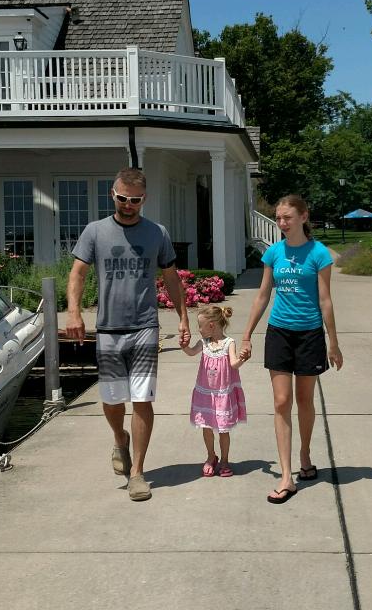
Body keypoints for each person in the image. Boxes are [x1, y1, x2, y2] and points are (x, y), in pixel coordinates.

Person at [65, 168, 190, 501]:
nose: (128, 205)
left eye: (135, 200)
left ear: (144, 199)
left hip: (145, 326)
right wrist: (74, 313)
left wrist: (183, 317)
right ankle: (120, 438)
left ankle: (137, 472)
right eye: (123, 198)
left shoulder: (157, 233)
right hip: (108, 328)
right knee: (111, 398)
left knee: (142, 398)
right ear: (113, 194)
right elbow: (77, 274)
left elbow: (171, 277)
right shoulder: (95, 232)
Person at [240, 194, 343, 504]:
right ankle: (287, 477)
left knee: (304, 399)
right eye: (279, 218)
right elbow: (262, 295)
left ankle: (305, 454)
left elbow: (325, 299)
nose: (282, 223)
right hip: (279, 332)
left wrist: (333, 342)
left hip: (309, 334)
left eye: (287, 217)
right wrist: (247, 335)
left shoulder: (319, 253)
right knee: (281, 401)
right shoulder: (274, 252)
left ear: (303, 217)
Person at [181, 305, 247, 478]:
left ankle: (224, 460)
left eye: (200, 326)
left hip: (222, 394)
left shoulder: (229, 343)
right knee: (206, 426)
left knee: (223, 430)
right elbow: (191, 352)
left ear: (211, 325)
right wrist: (184, 346)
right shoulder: (203, 343)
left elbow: (234, 364)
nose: (199, 329)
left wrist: (242, 358)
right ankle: (211, 456)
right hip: (206, 394)